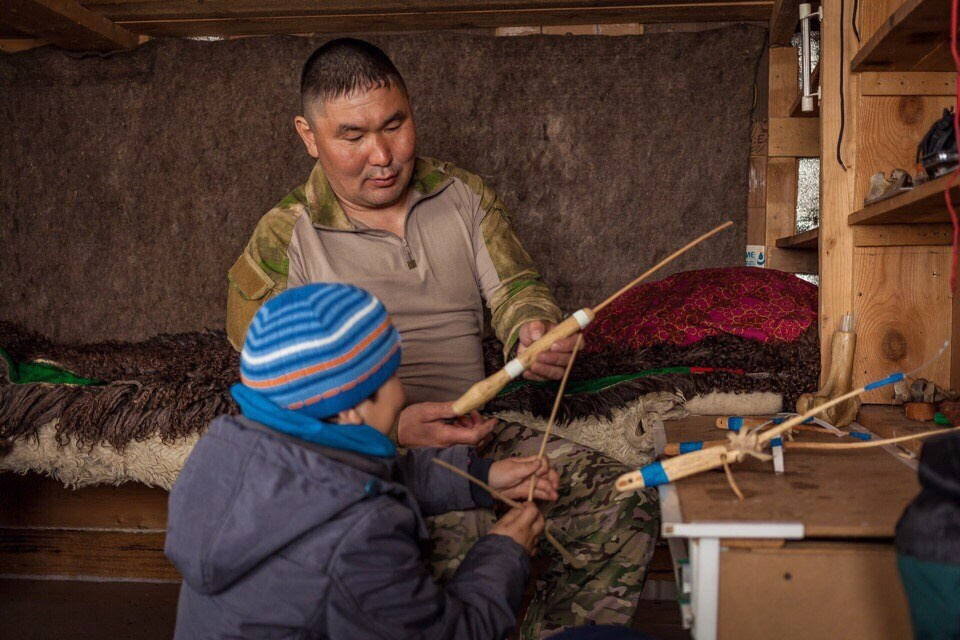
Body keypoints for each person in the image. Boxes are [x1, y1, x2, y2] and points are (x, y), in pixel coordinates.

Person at [225, 38, 658, 637]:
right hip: (367, 455)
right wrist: (391, 429)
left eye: (394, 125)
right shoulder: (284, 238)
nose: (382, 155)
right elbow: (272, 400)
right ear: (309, 136)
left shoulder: (462, 195)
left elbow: (517, 289)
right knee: (447, 546)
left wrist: (533, 330)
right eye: (352, 136)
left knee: (622, 499)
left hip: (476, 432)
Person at [166, 283, 561, 638]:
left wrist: (479, 476)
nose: (401, 391)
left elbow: (353, 479)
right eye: (392, 374)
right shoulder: (358, 538)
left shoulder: (232, 449)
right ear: (352, 408)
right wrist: (505, 551)